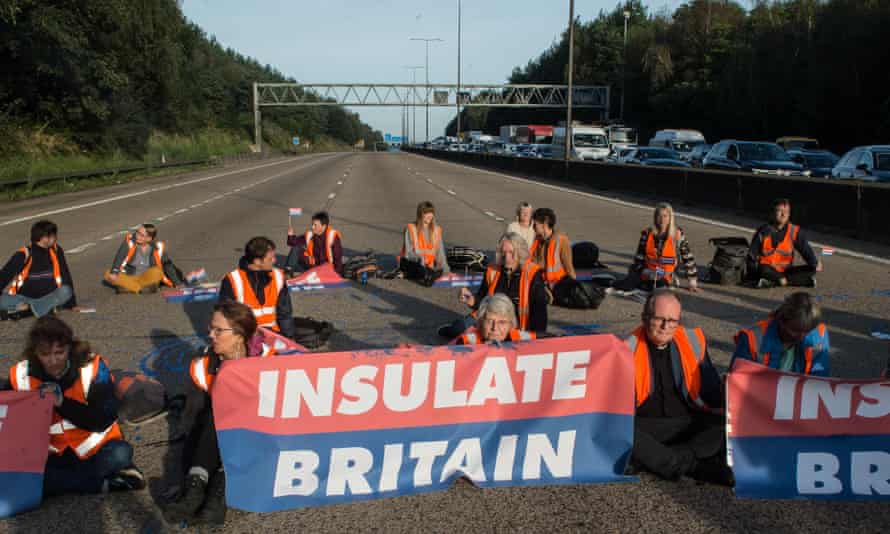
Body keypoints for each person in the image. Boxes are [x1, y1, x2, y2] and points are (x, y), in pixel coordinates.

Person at [2, 316, 145, 495]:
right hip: (52, 454)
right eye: (45, 355)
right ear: (35, 353)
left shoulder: (92, 368)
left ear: (69, 348)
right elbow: (7, 422)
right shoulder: (20, 375)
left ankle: (65, 483)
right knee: (21, 472)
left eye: (59, 353)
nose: (53, 361)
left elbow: (101, 420)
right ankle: (103, 484)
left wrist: (62, 403)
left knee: (120, 453)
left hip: (95, 448)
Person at [164, 301, 262, 525]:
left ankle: (218, 491)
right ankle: (196, 489)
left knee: (238, 423)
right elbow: (193, 421)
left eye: (218, 330)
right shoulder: (204, 366)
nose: (210, 335)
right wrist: (183, 473)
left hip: (256, 436)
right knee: (212, 415)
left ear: (239, 335)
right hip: (215, 433)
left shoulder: (266, 361)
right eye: (210, 328)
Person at [624, 290, 732, 485]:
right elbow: (618, 411)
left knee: (728, 424)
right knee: (621, 431)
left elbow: (712, 392)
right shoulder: (626, 349)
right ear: (644, 318)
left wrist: (729, 392)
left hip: (685, 421)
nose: (666, 326)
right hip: (647, 425)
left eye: (672, 320)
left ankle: (656, 460)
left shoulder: (691, 341)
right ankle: (692, 467)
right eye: (659, 319)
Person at [458, 232, 548, 333]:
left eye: (511, 252)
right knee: (459, 327)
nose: (507, 257)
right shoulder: (491, 270)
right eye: (503, 252)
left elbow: (540, 313)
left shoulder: (532, 273)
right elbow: (483, 301)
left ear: (520, 253)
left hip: (518, 329)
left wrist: (536, 339)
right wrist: (472, 300)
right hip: (491, 324)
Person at [731, 292, 829, 376]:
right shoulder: (752, 338)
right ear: (781, 321)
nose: (802, 336)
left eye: (807, 331)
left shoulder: (818, 334)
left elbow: (820, 378)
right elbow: (737, 380)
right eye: (795, 330)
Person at [218, 237, 296, 340]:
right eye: (270, 258)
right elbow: (226, 318)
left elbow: (285, 313)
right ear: (257, 261)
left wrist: (289, 339)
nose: (275, 261)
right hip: (245, 338)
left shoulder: (278, 276)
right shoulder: (232, 280)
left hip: (273, 336)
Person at [0, 220, 78, 319]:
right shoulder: (23, 254)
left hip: (48, 296)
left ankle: (24, 311)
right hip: (23, 299)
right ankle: (39, 309)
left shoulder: (57, 251)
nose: (56, 238)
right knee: (2, 300)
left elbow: (65, 276)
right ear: (44, 238)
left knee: (66, 291)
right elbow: (4, 276)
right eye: (54, 235)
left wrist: (72, 304)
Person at [614, 203, 699, 292]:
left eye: (665, 216)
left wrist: (692, 282)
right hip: (648, 271)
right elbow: (639, 258)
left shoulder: (677, 234)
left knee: (659, 288)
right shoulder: (647, 234)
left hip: (667, 274)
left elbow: (688, 258)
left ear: (670, 218)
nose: (662, 220)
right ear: (655, 218)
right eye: (659, 216)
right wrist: (645, 271)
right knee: (627, 285)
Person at [748, 198, 821, 288]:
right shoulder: (762, 231)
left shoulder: (794, 231)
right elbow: (751, 256)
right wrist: (752, 276)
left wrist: (815, 263)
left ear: (789, 214)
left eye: (786, 212)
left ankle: (773, 282)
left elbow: (806, 250)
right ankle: (801, 281)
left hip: (786, 270)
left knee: (813, 268)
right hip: (768, 270)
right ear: (772, 213)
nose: (783, 214)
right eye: (780, 211)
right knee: (762, 269)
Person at [103, 224, 183, 294]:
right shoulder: (129, 242)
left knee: (157, 272)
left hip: (146, 277)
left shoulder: (158, 247)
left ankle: (129, 287)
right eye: (137, 232)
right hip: (130, 275)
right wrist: (114, 272)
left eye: (141, 235)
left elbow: (167, 264)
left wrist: (177, 283)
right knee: (108, 274)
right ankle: (139, 289)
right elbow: (119, 258)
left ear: (149, 238)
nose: (137, 236)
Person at [399, 201, 450, 281]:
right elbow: (408, 254)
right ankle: (425, 275)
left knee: (437, 270)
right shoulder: (411, 228)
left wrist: (446, 270)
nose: (429, 215)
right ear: (420, 215)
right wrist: (420, 259)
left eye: (431, 213)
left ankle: (428, 274)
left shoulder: (437, 230)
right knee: (422, 271)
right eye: (426, 213)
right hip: (412, 262)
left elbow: (440, 253)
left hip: (428, 265)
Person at [455, 294, 536, 344]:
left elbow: (546, 339)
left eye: (502, 322)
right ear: (480, 322)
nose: (494, 328)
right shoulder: (466, 342)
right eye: (489, 321)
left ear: (511, 325)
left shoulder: (520, 337)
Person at [286, 211, 343, 275]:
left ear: (323, 226)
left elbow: (337, 259)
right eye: (312, 224)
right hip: (313, 265)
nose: (312, 227)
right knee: (296, 248)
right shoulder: (310, 234)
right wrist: (290, 235)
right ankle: (288, 272)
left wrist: (336, 275)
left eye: (315, 225)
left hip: (327, 269)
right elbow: (293, 242)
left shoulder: (333, 237)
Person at [530, 207, 575, 288]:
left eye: (535, 224)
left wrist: (574, 288)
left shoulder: (561, 240)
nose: (533, 227)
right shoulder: (538, 240)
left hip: (558, 286)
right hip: (541, 284)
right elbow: (532, 261)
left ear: (544, 224)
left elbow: (569, 267)